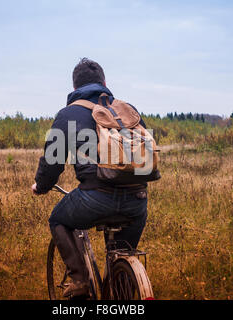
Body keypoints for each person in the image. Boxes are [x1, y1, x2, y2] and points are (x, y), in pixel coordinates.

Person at [32, 58, 151, 298]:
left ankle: (79, 281)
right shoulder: (128, 110)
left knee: (58, 219)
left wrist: (41, 186)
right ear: (105, 83)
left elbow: (52, 163)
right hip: (137, 201)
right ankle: (123, 285)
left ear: (74, 88)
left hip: (94, 199)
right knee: (121, 254)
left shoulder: (68, 114)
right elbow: (146, 154)